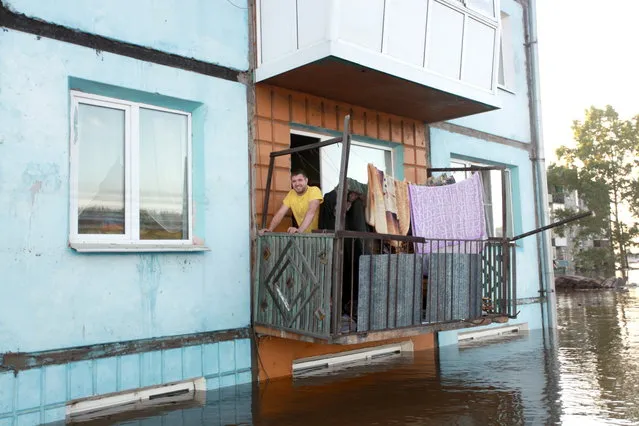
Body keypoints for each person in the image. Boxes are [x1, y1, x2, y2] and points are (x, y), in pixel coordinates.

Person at [259, 170, 323, 234]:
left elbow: (311, 212)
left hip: (319, 236)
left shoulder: (314, 190)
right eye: (294, 181)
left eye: (300, 180)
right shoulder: (291, 193)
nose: (297, 184)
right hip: (303, 235)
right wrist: (270, 229)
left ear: (306, 180)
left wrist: (299, 231)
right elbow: (280, 213)